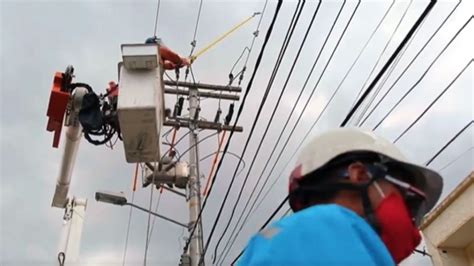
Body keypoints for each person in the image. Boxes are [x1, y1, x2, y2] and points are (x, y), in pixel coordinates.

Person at [239, 128, 443, 265]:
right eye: (408, 200)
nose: (412, 224)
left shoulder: (278, 244)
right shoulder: (329, 235)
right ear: (360, 175)